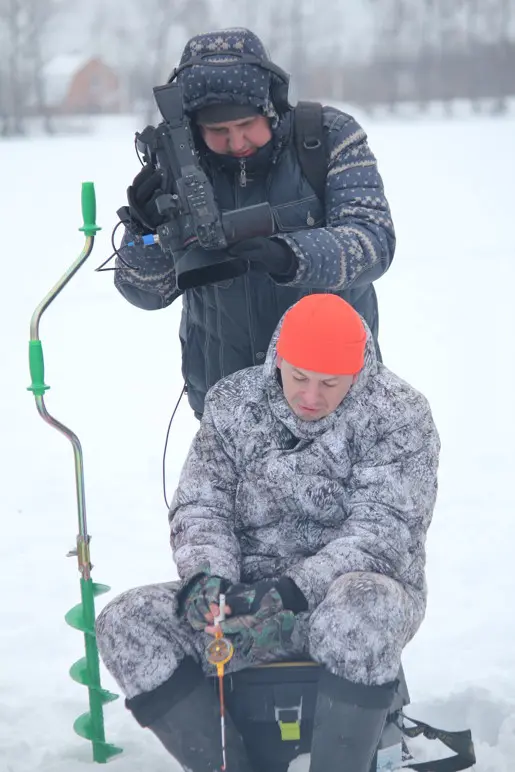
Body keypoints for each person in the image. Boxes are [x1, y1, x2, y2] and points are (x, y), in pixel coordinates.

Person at [96, 294, 440, 772]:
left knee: (366, 605)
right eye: (298, 377)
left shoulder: (400, 415)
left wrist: (287, 592)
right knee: (125, 622)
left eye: (329, 384)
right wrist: (210, 582)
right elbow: (202, 506)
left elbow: (383, 534)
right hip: (245, 605)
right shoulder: (232, 403)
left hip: (345, 598)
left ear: (357, 373)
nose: (310, 397)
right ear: (279, 358)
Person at [113, 27, 396, 418]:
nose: (237, 141)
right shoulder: (177, 168)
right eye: (218, 131)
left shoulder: (328, 138)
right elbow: (144, 292)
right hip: (230, 407)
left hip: (334, 399)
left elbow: (373, 242)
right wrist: (144, 228)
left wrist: (288, 256)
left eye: (247, 124)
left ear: (272, 106)